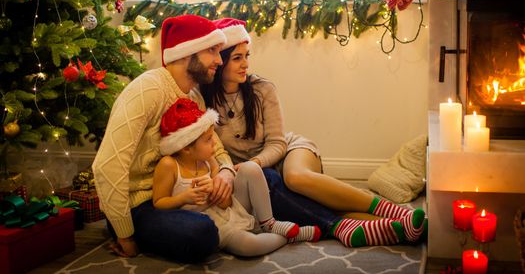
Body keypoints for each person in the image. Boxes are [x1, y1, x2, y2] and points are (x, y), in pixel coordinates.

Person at [200, 18, 426, 247]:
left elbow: (278, 144)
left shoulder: (261, 89)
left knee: (295, 178)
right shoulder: (204, 99)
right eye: (237, 58)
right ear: (221, 61)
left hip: (288, 152)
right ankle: (395, 230)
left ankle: (397, 212)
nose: (245, 64)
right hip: (261, 176)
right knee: (303, 204)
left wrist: (256, 162)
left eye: (247, 56)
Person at [92, 15, 239, 262]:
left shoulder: (194, 95)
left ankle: (316, 223)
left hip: (179, 189)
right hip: (140, 205)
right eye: (212, 50)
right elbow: (108, 166)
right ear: (186, 53)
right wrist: (126, 236)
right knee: (201, 233)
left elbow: (212, 144)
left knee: (263, 177)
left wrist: (225, 172)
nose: (219, 60)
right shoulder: (148, 89)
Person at [153, 98, 321, 257]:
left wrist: (215, 190)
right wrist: (183, 198)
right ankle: (292, 236)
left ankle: (269, 223)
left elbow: (225, 203)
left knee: (251, 168)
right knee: (249, 246)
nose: (214, 143)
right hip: (214, 225)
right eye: (208, 139)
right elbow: (158, 203)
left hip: (228, 210)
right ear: (186, 148)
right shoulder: (169, 165)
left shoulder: (208, 160)